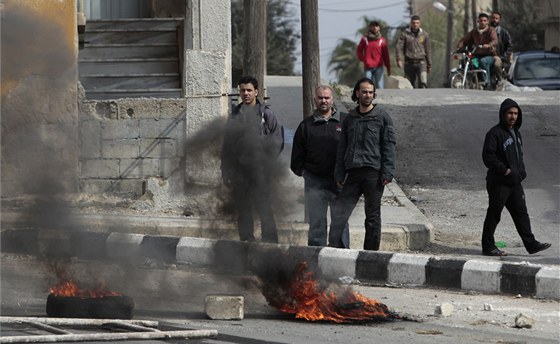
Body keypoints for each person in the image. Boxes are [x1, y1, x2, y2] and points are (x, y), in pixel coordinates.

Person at [328, 78, 396, 250]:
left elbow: (389, 146)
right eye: (364, 92)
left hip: (373, 174)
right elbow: (342, 148)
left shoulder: (382, 117)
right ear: (357, 93)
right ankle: (337, 252)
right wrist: (339, 173)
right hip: (353, 173)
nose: (368, 95)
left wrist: (387, 172)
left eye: (371, 92)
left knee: (372, 218)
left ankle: (370, 256)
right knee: (339, 214)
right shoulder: (350, 118)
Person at [481, 98, 552, 256]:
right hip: (499, 182)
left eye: (515, 113)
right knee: (494, 213)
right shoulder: (494, 133)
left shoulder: (516, 133)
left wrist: (521, 172)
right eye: (509, 113)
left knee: (521, 214)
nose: (513, 116)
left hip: (514, 182)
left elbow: (519, 155)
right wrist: (504, 170)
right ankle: (488, 246)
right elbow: (488, 157)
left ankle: (531, 244)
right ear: (503, 114)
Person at [221, 76, 284, 243]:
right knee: (243, 208)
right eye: (242, 90)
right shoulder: (234, 115)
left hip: (261, 171)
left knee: (264, 207)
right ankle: (246, 241)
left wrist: (265, 163)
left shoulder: (266, 114)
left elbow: (277, 141)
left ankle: (270, 242)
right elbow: (227, 146)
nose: (246, 93)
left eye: (249, 90)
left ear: (256, 91)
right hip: (240, 171)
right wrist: (226, 170)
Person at [290, 86, 350, 248]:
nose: (323, 101)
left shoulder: (346, 122)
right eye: (320, 98)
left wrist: (348, 174)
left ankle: (341, 256)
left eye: (327, 98)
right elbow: (296, 157)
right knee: (316, 223)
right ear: (314, 100)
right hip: (315, 183)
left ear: (332, 100)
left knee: (340, 222)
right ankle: (315, 259)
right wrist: (306, 174)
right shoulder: (306, 126)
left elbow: (354, 150)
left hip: (340, 182)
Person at [457, 13, 498, 90]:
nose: (482, 22)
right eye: (481, 20)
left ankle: (487, 82)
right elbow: (465, 39)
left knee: (483, 61)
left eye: (484, 20)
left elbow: (495, 40)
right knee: (471, 62)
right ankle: (473, 81)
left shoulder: (491, 30)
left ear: (487, 22)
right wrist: (460, 45)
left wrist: (489, 45)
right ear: (478, 21)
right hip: (477, 55)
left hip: (489, 55)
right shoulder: (474, 31)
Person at [396, 15, 432, 88]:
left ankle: (423, 98)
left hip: (421, 62)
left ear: (420, 24)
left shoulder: (424, 35)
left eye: (417, 23)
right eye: (414, 23)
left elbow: (428, 49)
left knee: (423, 83)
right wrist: (399, 59)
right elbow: (399, 47)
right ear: (411, 23)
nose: (415, 24)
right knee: (409, 86)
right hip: (409, 63)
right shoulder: (405, 34)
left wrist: (429, 64)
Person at [357, 21, 391, 89]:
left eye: (376, 26)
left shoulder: (382, 40)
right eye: (373, 26)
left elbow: (385, 55)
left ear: (379, 28)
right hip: (368, 67)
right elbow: (359, 50)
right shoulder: (365, 39)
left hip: (379, 67)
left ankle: (381, 99)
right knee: (367, 86)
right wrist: (364, 59)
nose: (374, 27)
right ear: (370, 27)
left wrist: (388, 67)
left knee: (380, 85)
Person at [490, 11, 513, 81]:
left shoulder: (504, 33)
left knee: (496, 64)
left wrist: (503, 56)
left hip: (499, 57)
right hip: (486, 56)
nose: (494, 20)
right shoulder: (486, 31)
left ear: (499, 20)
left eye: (497, 18)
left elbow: (510, 47)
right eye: (493, 18)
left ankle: (501, 80)